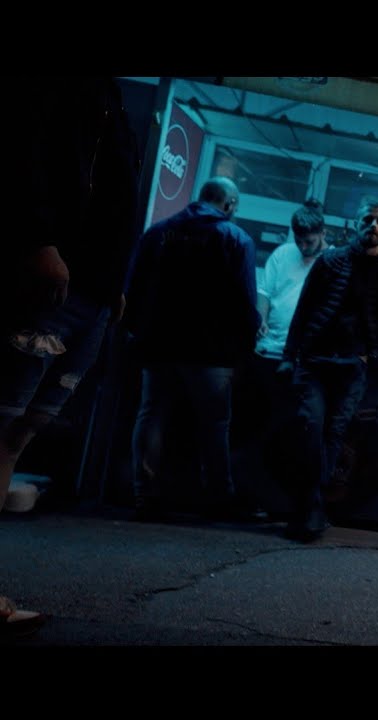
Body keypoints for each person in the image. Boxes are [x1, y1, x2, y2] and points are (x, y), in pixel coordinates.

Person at [1, 77, 140, 640]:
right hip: (60, 279)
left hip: (94, 292)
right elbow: (28, 156)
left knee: (18, 433)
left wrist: (115, 283)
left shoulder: (112, 96)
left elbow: (116, 196)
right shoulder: (60, 86)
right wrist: (40, 240)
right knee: (4, 425)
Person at [127, 177, 260, 521]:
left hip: (159, 345)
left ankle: (144, 495)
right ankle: (218, 498)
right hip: (211, 351)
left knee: (152, 415)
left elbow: (134, 287)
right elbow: (245, 302)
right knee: (214, 425)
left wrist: (136, 334)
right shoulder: (235, 238)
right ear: (229, 204)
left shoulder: (158, 232)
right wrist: (246, 346)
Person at [277, 202, 378, 542]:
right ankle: (311, 506)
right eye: (368, 219)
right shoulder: (330, 261)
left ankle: (309, 508)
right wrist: (290, 355)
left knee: (332, 434)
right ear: (355, 223)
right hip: (316, 361)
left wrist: (373, 357)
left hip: (351, 366)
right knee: (311, 428)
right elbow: (304, 310)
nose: (373, 225)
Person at [257, 199, 327, 358]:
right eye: (298, 241)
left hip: (307, 353)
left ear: (323, 234)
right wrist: (261, 319)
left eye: (309, 242)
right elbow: (264, 291)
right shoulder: (282, 253)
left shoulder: (333, 261)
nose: (303, 247)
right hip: (270, 344)